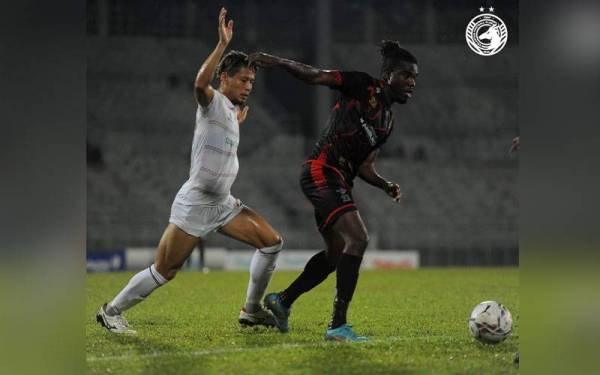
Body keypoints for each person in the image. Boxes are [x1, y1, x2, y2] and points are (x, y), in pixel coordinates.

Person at [96, 7, 283, 334]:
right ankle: (111, 311)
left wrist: (234, 125)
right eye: (243, 79)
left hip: (223, 204)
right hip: (196, 203)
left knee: (271, 242)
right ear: (225, 77)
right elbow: (199, 83)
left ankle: (250, 311)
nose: (249, 86)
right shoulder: (211, 101)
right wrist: (222, 45)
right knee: (164, 270)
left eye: (252, 80)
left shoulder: (230, 112)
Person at [249, 41, 418, 341]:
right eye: (406, 75)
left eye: (414, 78)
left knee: (336, 253)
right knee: (360, 238)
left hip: (340, 180)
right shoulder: (363, 86)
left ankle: (282, 300)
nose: (411, 83)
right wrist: (278, 61)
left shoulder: (387, 122)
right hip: (321, 169)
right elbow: (316, 76)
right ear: (388, 74)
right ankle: (337, 325)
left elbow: (366, 166)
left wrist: (384, 184)